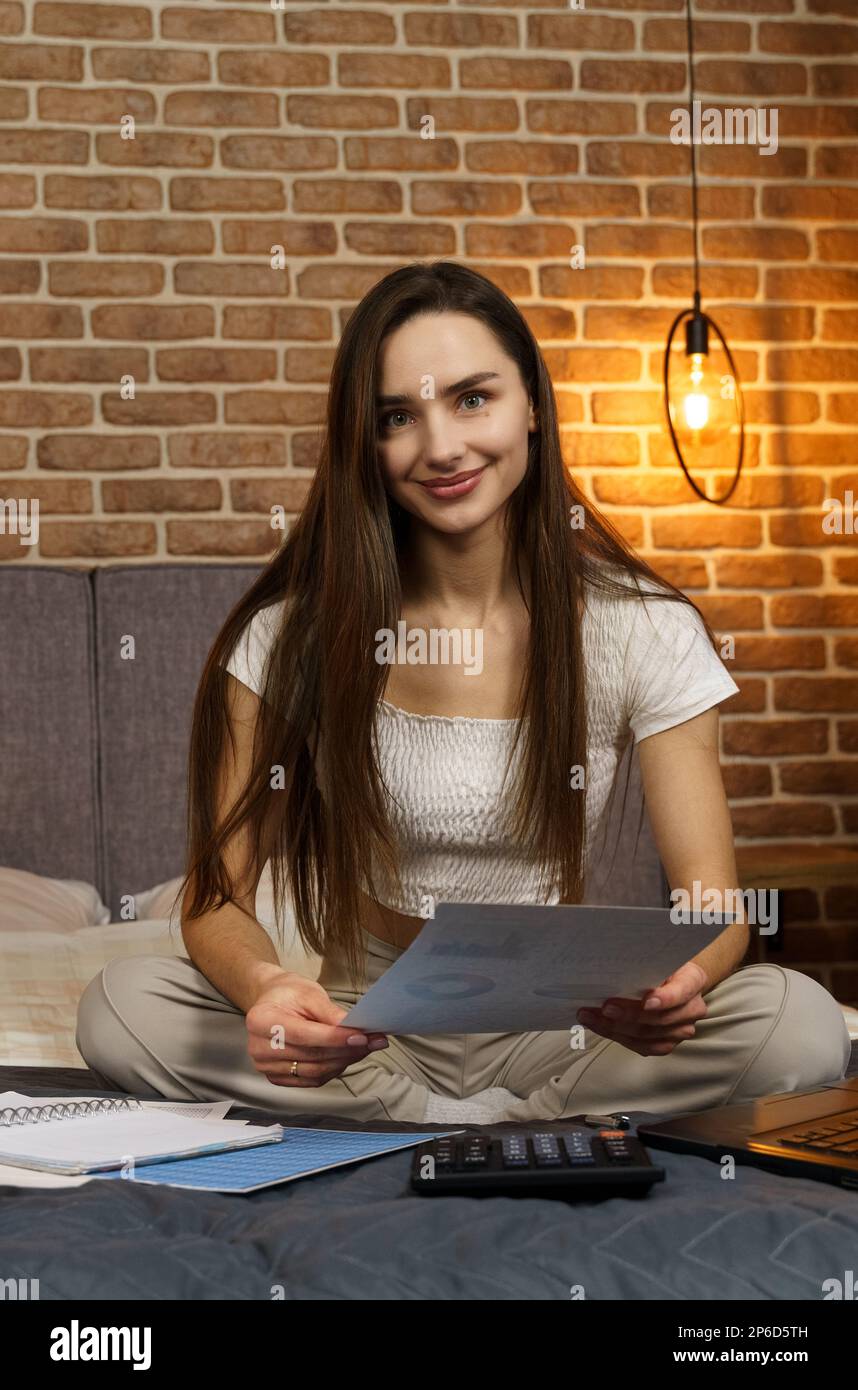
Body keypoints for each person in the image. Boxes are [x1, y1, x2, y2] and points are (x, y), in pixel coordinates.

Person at [76, 261, 851, 1126]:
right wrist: (266, 989)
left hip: (565, 1025)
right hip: (366, 1028)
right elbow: (216, 897)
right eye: (398, 417)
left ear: (532, 406)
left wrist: (684, 983)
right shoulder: (287, 638)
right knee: (117, 1005)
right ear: (361, 443)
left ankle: (430, 1124)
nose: (441, 447)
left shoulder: (647, 626)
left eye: (473, 399)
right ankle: (514, 1125)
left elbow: (714, 903)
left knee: (803, 1024)